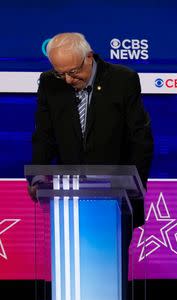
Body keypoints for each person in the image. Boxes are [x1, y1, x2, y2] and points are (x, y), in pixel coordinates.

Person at [31, 32, 154, 233]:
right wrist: (38, 175)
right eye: (60, 74)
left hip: (117, 196)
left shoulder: (122, 79)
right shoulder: (49, 82)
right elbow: (44, 135)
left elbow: (140, 138)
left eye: (73, 71)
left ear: (88, 57)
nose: (68, 80)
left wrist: (135, 185)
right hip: (69, 197)